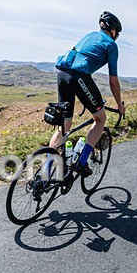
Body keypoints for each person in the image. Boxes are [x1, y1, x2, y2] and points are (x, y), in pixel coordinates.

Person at [50, 11, 126, 176]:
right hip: (78, 77)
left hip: (62, 74)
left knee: (65, 125)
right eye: (117, 33)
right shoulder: (112, 45)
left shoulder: (90, 35)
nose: (117, 36)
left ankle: (46, 172)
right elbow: (113, 81)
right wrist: (120, 105)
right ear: (113, 31)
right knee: (100, 119)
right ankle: (82, 162)